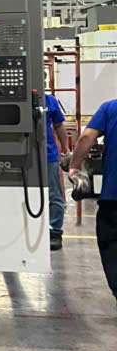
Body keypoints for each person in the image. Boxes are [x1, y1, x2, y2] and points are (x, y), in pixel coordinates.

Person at [68, 103, 117, 307]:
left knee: (112, 246)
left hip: (113, 198)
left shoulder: (110, 108)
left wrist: (74, 166)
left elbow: (86, 137)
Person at [45, 92, 68, 250]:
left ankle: (55, 231)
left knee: (54, 194)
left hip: (48, 155)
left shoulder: (50, 101)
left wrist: (66, 151)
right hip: (23, 155)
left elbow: (59, 125)